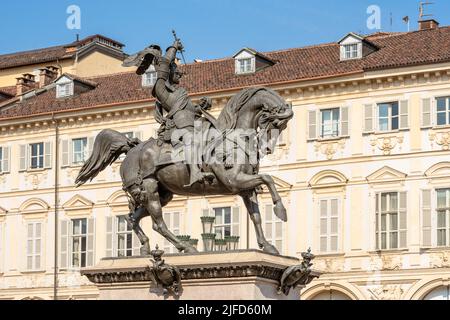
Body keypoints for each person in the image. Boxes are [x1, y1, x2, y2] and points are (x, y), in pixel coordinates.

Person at [153, 39, 215, 187]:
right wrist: (173, 48)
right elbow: (164, 65)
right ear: (169, 73)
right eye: (177, 71)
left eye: (180, 72)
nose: (180, 74)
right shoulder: (162, 91)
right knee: (190, 139)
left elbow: (189, 109)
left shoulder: (181, 92)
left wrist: (201, 105)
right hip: (179, 126)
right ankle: (194, 173)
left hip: (193, 122)